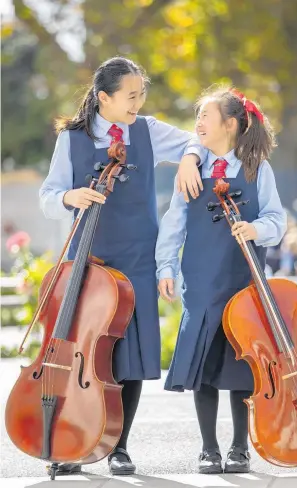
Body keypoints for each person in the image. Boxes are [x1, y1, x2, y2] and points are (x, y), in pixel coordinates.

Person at [39, 56, 205, 476]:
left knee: (126, 354)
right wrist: (68, 198)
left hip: (136, 258)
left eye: (141, 94)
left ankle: (119, 446)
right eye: (131, 96)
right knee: (85, 352)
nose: (138, 103)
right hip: (89, 259)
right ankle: (75, 443)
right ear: (103, 98)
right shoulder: (70, 139)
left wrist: (188, 158)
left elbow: (197, 141)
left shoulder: (146, 130)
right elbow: (49, 196)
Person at [156, 86, 287, 474]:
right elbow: (174, 223)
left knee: (241, 366)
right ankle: (208, 448)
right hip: (199, 281)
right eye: (197, 116)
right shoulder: (191, 168)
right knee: (204, 367)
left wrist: (256, 229)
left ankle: (239, 448)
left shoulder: (257, 168)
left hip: (243, 282)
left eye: (205, 117)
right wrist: (165, 267)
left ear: (230, 124)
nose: (197, 123)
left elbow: (277, 221)